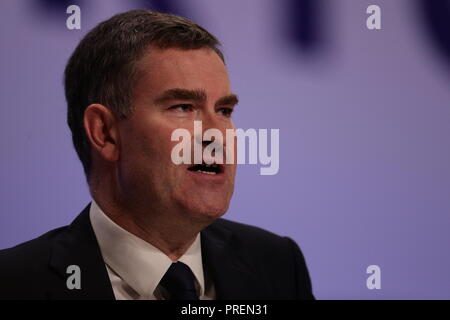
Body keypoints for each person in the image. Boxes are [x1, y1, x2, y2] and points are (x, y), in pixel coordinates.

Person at [0, 10, 314, 300]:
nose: (217, 134)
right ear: (105, 133)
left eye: (224, 110)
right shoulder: (16, 284)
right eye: (183, 107)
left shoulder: (277, 266)